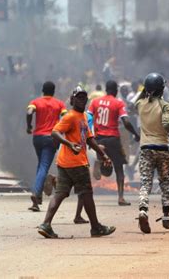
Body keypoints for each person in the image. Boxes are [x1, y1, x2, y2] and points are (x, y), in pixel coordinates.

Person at [37, 86, 116, 239]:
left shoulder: (84, 117)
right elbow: (54, 132)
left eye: (84, 97)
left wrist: (103, 155)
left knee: (60, 194)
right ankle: (96, 227)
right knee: (86, 194)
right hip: (76, 163)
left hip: (65, 163)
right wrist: (69, 144)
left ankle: (46, 224)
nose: (81, 100)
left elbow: (89, 139)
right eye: (78, 97)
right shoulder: (70, 116)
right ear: (72, 100)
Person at [135, 73, 169, 234]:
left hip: (145, 149)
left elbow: (138, 98)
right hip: (162, 148)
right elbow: (167, 123)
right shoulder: (166, 105)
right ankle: (166, 216)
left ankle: (143, 211)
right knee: (164, 183)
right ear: (162, 89)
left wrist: (147, 90)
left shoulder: (140, 104)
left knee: (145, 183)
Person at [88, 80, 140, 206]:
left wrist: (90, 136)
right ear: (116, 91)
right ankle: (121, 197)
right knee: (118, 168)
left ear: (106, 89)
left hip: (99, 138)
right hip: (113, 139)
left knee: (104, 163)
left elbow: (88, 117)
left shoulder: (95, 102)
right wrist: (135, 134)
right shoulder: (118, 103)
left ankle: (99, 160)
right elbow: (126, 122)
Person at [26, 81, 67, 212]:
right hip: (51, 138)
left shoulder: (36, 101)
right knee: (44, 166)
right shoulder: (59, 104)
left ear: (42, 90)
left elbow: (29, 112)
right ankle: (35, 193)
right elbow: (66, 117)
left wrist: (29, 126)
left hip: (37, 138)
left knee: (41, 165)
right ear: (54, 91)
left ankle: (37, 199)